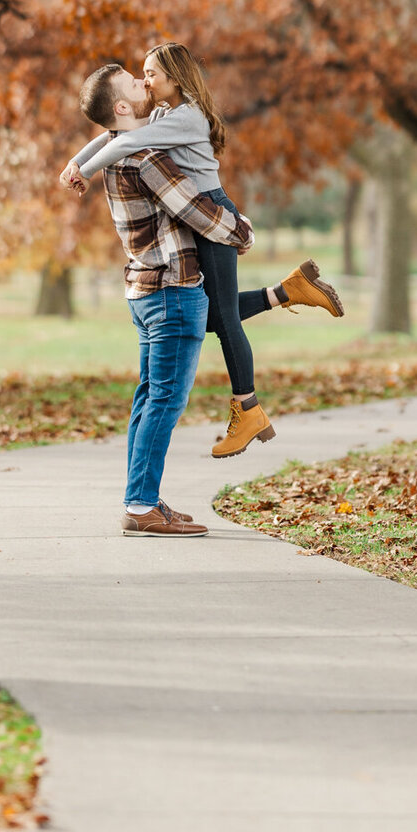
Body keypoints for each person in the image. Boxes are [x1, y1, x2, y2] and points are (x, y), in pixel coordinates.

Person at [60, 47, 344, 457]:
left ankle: (248, 407)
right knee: (211, 313)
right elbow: (113, 137)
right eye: (140, 76)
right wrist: (75, 163)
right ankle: (287, 292)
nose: (146, 82)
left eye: (150, 74)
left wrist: (83, 171)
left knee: (223, 318)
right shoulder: (163, 115)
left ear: (174, 79)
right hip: (208, 206)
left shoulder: (183, 118)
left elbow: (126, 142)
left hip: (210, 209)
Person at [82, 68, 253, 535]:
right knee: (164, 402)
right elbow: (197, 211)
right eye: (133, 85)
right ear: (121, 108)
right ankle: (140, 506)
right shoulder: (147, 159)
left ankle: (145, 497)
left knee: (148, 399)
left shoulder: (117, 154)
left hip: (143, 291)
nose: (145, 83)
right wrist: (243, 232)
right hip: (174, 291)